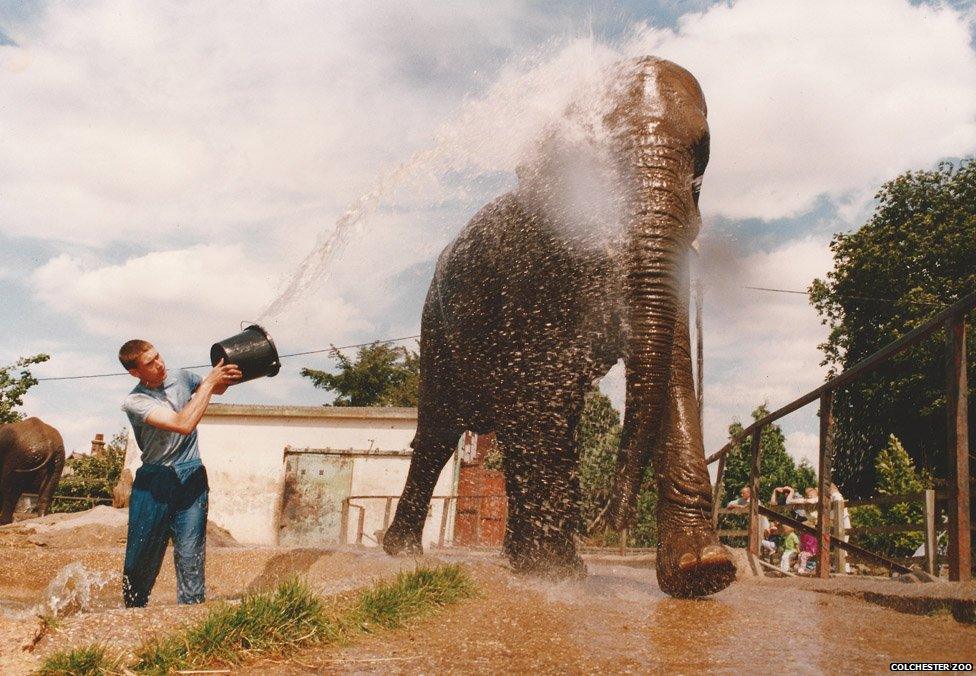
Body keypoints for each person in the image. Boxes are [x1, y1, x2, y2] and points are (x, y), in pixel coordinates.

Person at [118, 339, 241, 608]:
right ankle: (131, 615)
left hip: (191, 476)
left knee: (190, 556)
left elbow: (217, 388)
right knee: (139, 563)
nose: (160, 363)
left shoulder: (181, 376)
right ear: (135, 372)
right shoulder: (135, 401)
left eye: (158, 356)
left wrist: (230, 374)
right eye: (150, 363)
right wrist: (208, 384)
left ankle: (190, 620)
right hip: (154, 481)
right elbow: (182, 424)